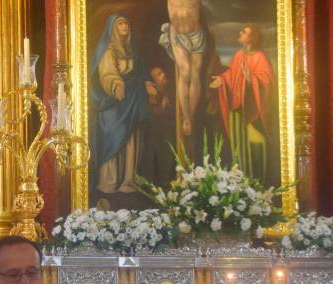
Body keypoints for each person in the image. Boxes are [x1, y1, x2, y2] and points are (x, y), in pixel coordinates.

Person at [90, 14, 151, 195]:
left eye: (126, 23)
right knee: (114, 138)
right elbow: (106, 73)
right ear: (113, 28)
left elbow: (138, 73)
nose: (125, 26)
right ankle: (109, 181)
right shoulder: (108, 51)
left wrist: (146, 83)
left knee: (131, 139)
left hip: (131, 102)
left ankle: (128, 180)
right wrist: (116, 84)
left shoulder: (131, 51)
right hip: (113, 104)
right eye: (121, 24)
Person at [209, 24, 273, 182]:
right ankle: (241, 176)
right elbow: (232, 74)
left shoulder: (260, 57)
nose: (240, 33)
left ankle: (256, 178)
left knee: (255, 141)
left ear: (251, 38)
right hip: (237, 109)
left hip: (252, 110)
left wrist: (251, 78)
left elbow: (267, 81)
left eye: (244, 32)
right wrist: (222, 79)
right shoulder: (238, 55)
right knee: (239, 143)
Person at [160, 0, 205, 137]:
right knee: (185, 71)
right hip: (177, 35)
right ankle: (185, 116)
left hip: (196, 35)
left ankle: (190, 116)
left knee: (195, 74)